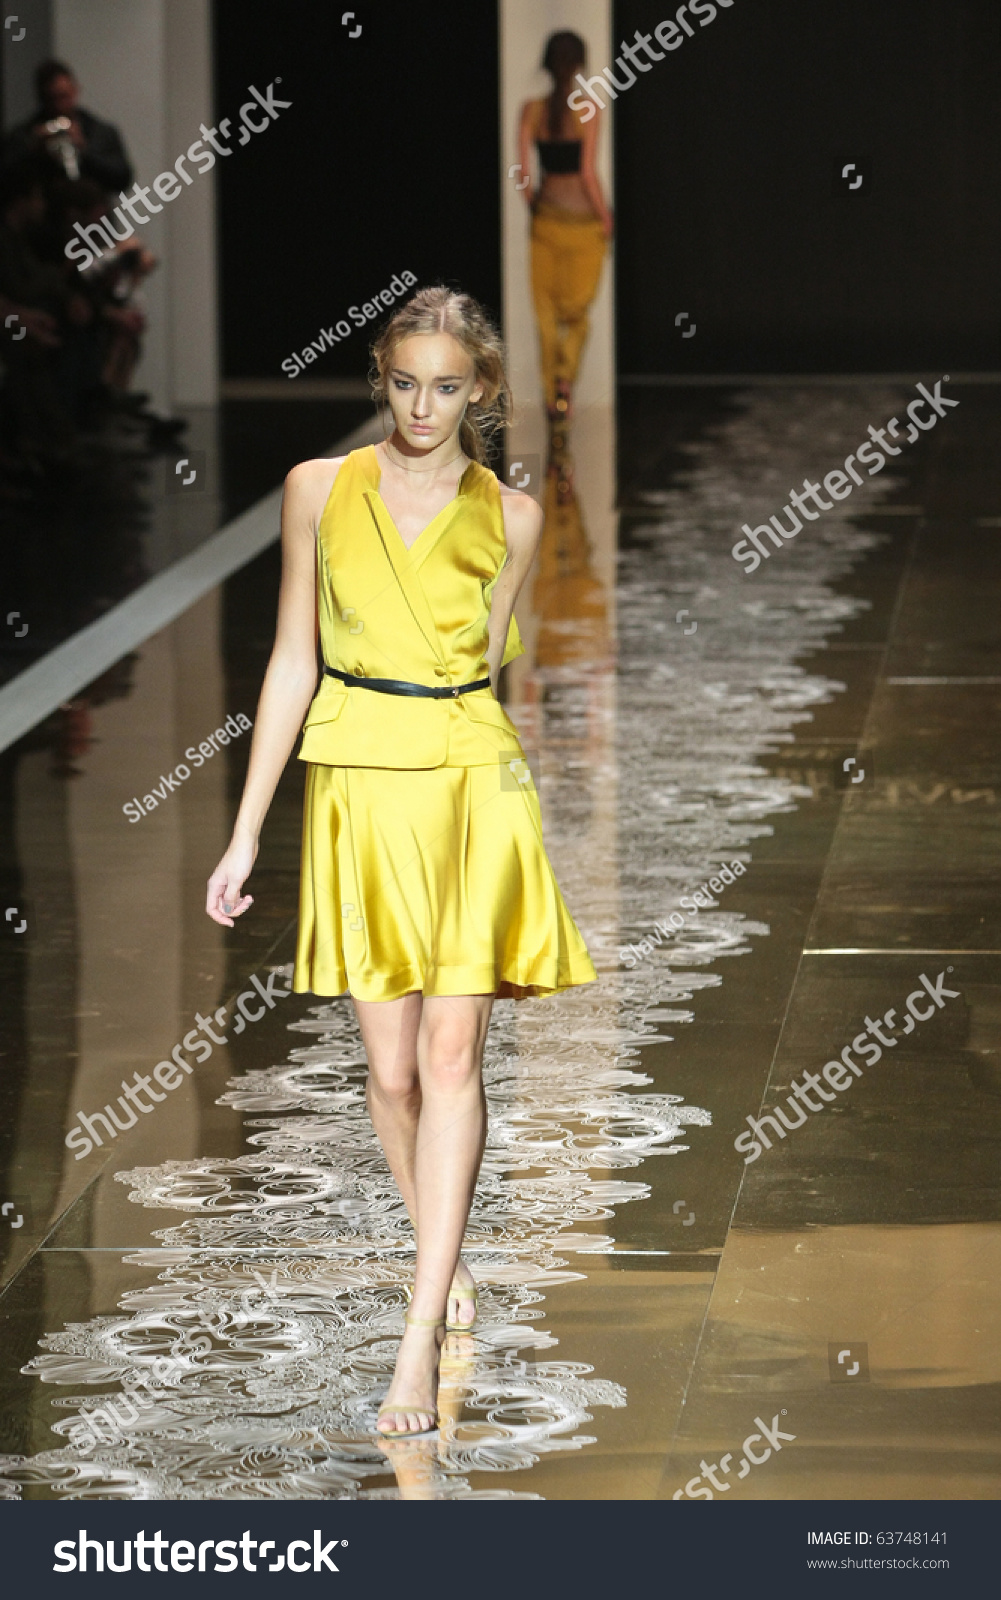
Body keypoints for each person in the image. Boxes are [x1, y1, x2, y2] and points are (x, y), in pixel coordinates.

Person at [205, 287, 596, 1438]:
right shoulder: (316, 492)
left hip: (470, 784)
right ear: (380, 378)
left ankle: (415, 1334)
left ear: (480, 390)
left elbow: (491, 662)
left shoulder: (512, 517)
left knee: (449, 1046)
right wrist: (242, 830)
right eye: (403, 382)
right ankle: (443, 1251)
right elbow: (290, 662)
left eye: (447, 385)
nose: (422, 405)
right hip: (358, 786)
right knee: (387, 1074)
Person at [518, 31, 613, 425]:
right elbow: (588, 173)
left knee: (545, 315)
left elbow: (524, 177)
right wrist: (607, 218)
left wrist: (537, 212)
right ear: (579, 65)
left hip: (546, 222)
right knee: (577, 312)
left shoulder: (531, 111)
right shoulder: (588, 109)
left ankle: (551, 395)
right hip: (584, 225)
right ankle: (564, 378)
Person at [3, 59, 133, 194]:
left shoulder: (99, 131)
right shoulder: (24, 134)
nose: (59, 105)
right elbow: (7, 179)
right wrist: (34, 149)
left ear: (75, 90)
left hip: (91, 210)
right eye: (52, 98)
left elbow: (122, 179)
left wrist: (84, 151)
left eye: (64, 96)